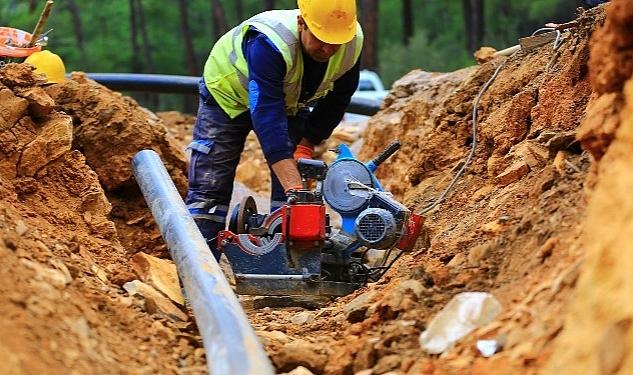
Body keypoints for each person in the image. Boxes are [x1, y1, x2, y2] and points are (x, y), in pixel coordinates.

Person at [185, 0, 364, 260]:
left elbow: (338, 100)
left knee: (294, 192)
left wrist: (306, 143)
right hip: (228, 96)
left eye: (335, 42)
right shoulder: (269, 42)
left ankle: (288, 266)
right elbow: (267, 114)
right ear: (301, 23)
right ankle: (200, 276)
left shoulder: (350, 41)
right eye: (320, 39)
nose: (328, 49)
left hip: (290, 100)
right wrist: (295, 188)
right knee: (211, 189)